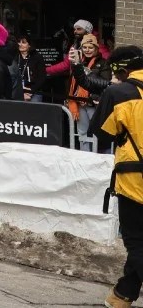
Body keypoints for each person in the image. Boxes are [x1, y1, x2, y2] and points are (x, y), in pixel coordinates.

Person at [92, 47, 143, 308]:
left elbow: (102, 133)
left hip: (135, 180)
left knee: (136, 241)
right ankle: (124, 294)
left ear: (120, 70)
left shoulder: (118, 93)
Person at [70, 34, 112, 150]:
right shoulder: (77, 62)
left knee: (96, 132)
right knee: (82, 132)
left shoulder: (103, 63)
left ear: (96, 48)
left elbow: (105, 83)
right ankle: (85, 156)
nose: (87, 50)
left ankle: (97, 156)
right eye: (85, 47)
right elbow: (74, 83)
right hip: (79, 103)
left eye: (90, 47)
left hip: (94, 104)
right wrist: (73, 98)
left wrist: (91, 96)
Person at [13, 35, 50, 103]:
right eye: (19, 42)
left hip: (35, 90)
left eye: (23, 42)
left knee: (34, 110)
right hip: (18, 90)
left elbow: (42, 77)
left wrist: (31, 90)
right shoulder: (14, 57)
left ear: (29, 45)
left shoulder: (37, 57)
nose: (20, 44)